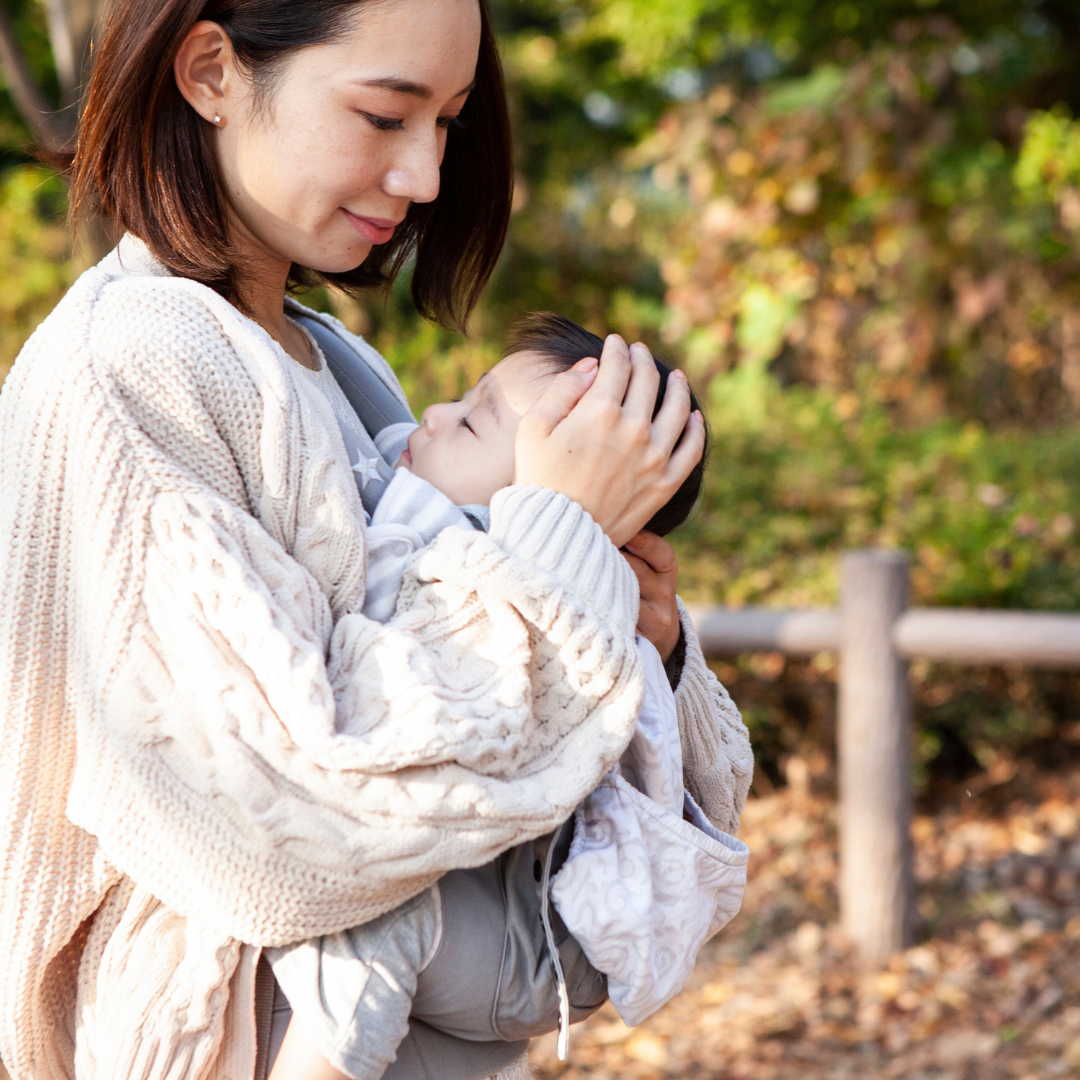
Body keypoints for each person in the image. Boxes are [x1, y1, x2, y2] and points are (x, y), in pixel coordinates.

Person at [0, 2, 754, 1080]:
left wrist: (638, 630)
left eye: (445, 122)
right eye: (385, 113)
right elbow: (281, 820)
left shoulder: (331, 363)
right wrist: (560, 542)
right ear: (211, 73)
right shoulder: (130, 365)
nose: (426, 176)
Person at [264, 312, 751, 1080]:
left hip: (540, 941)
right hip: (501, 930)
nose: (431, 415)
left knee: (371, 916)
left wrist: (654, 639)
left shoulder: (540, 584)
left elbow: (708, 787)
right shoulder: (463, 524)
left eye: (474, 421)